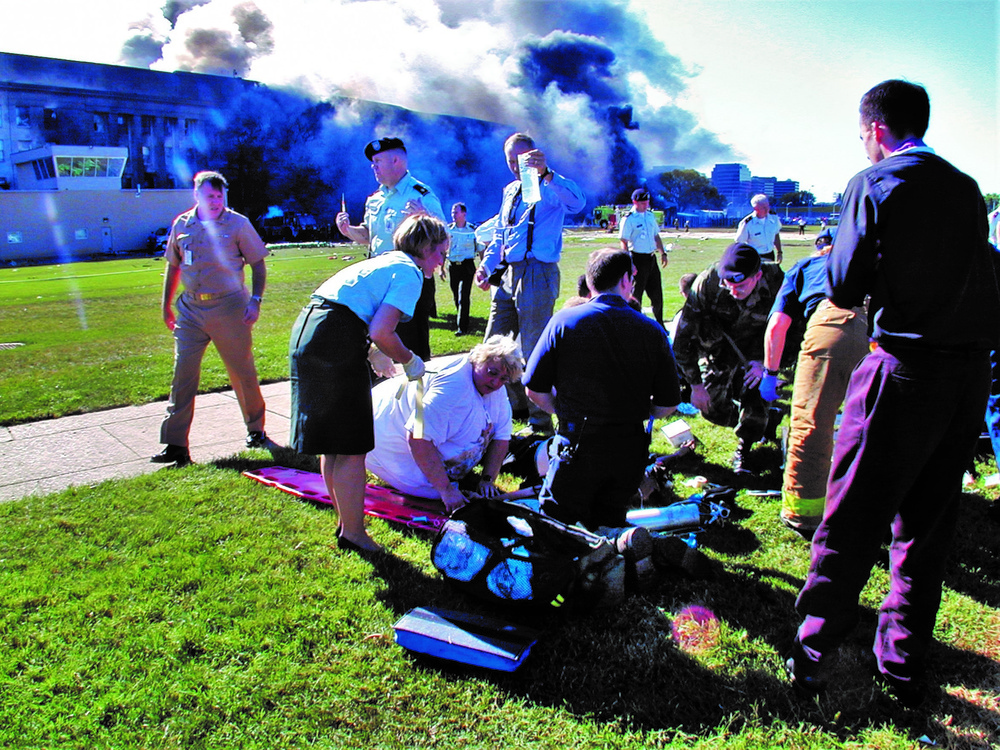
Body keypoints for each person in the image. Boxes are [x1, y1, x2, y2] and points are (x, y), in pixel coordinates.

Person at [787, 80, 1000, 707]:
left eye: (861, 137)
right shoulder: (965, 187)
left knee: (851, 512)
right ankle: (903, 662)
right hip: (966, 376)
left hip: (903, 367)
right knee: (928, 525)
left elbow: (845, 285)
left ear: (876, 131)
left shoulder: (872, 182)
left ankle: (815, 645)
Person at [289, 214, 449, 553]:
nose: (441, 262)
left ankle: (345, 523)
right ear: (426, 248)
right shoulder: (409, 273)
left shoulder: (385, 261)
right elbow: (381, 330)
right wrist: (409, 360)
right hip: (334, 339)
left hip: (310, 329)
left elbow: (363, 320)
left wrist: (374, 353)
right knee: (351, 446)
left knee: (333, 443)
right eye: (441, 254)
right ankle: (354, 533)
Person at [523, 248, 680, 531]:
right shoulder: (652, 331)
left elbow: (534, 389)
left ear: (591, 282)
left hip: (576, 445)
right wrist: (634, 412)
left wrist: (563, 409)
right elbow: (668, 404)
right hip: (628, 449)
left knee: (557, 529)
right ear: (625, 280)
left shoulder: (564, 321)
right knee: (610, 526)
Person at [152, 170, 269, 467]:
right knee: (183, 374)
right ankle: (175, 444)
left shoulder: (238, 224)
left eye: (220, 196)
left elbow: (258, 264)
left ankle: (255, 429)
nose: (215, 201)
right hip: (191, 310)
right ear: (196, 196)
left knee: (241, 372)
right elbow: (173, 267)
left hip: (230, 307)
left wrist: (255, 300)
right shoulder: (182, 224)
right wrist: (166, 305)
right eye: (209, 196)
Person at [474, 132, 586, 435]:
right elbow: (500, 234)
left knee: (534, 347)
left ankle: (541, 423)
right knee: (493, 344)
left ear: (535, 155)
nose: (515, 166)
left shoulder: (551, 186)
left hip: (539, 271)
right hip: (510, 272)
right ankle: (508, 410)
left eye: (521, 159)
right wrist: (485, 267)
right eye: (510, 160)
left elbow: (577, 203)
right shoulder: (510, 190)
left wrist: (547, 173)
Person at [760, 230, 868, 534]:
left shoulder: (806, 267)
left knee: (812, 423)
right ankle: (882, 509)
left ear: (819, 248)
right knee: (880, 424)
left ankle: (803, 514)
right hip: (886, 331)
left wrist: (770, 374)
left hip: (835, 326)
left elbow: (778, 325)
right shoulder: (875, 262)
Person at [366, 335, 522, 511]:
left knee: (460, 487)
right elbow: (417, 438)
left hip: (412, 432)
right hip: (378, 432)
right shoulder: (452, 388)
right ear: (478, 359)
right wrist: (446, 490)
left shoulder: (495, 388)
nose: (496, 383)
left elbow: (501, 437)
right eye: (492, 373)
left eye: (504, 379)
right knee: (435, 493)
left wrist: (487, 480)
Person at [672, 243, 783, 473]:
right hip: (719, 348)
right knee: (711, 407)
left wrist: (767, 364)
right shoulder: (708, 283)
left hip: (758, 351)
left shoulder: (777, 282)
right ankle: (764, 420)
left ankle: (746, 445)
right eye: (728, 284)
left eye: (741, 286)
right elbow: (682, 341)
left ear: (757, 276)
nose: (733, 291)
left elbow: (793, 332)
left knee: (757, 391)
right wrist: (696, 386)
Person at [335, 136, 444, 360]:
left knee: (412, 345)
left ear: (396, 160)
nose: (373, 167)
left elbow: (443, 236)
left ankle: (417, 390)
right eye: (372, 162)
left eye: (378, 161)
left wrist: (424, 218)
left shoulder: (419, 194)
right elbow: (369, 236)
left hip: (410, 279)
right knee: (378, 346)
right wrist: (348, 231)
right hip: (379, 280)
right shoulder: (375, 199)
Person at [619, 188, 669, 325]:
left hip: (651, 258)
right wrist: (629, 262)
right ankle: (635, 324)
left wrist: (663, 253)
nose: (645, 205)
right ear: (635, 202)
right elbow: (624, 241)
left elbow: (656, 236)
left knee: (657, 295)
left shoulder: (650, 216)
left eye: (647, 202)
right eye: (642, 203)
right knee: (636, 295)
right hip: (637, 259)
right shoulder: (629, 219)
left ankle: (660, 323)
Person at [445, 202, 479, 335]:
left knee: (463, 296)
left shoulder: (472, 229)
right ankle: (462, 318)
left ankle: (462, 327)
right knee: (455, 295)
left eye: (456, 212)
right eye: (452, 212)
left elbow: (479, 247)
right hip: (453, 265)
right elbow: (444, 249)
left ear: (464, 213)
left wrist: (482, 266)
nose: (453, 215)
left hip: (467, 265)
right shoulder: (448, 230)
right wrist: (441, 268)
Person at [736, 194, 783, 263]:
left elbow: (776, 234)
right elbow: (740, 242)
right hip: (754, 257)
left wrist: (779, 252)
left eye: (767, 206)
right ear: (755, 209)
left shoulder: (774, 218)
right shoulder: (747, 223)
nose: (767, 209)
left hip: (770, 255)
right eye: (763, 207)